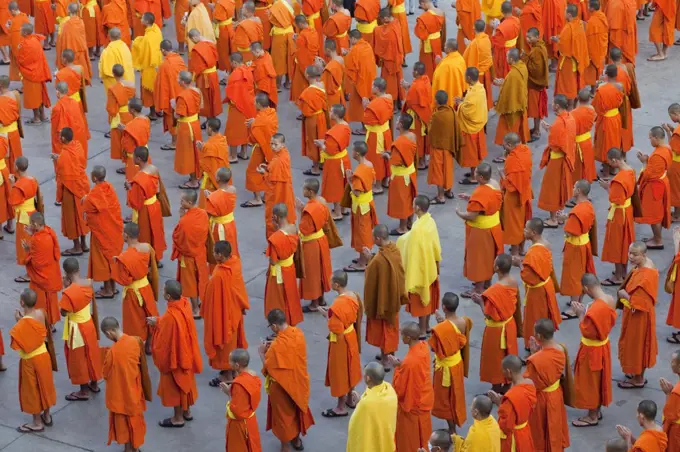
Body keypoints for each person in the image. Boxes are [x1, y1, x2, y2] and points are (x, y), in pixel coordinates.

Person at [260, 309, 315, 451]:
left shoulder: (276, 347)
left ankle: (285, 446)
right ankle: (296, 441)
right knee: (296, 410)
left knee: (283, 417)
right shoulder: (298, 333)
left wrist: (261, 352)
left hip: (281, 387)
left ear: (274, 327)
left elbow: (268, 368)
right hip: (299, 382)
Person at [149, 280, 203, 428]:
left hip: (176, 358)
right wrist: (159, 321)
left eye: (163, 290)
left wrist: (156, 325)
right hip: (187, 353)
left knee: (175, 386)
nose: (161, 292)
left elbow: (163, 342)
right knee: (186, 383)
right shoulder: (185, 304)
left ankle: (177, 418)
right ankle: (187, 412)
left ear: (168, 297)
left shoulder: (169, 316)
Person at [570, 273, 617, 427]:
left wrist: (580, 315)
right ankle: (596, 410)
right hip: (603, 346)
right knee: (599, 379)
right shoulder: (609, 299)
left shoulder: (595, 309)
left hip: (592, 350)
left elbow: (587, 331)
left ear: (586, 288)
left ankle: (592, 416)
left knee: (591, 381)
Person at [101, 316, 151, 452]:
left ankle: (128, 449)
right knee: (134, 422)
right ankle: (135, 448)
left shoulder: (113, 352)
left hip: (121, 397)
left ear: (109, 332)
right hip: (134, 392)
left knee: (124, 424)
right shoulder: (135, 341)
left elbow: (105, 374)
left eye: (107, 335)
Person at [10, 288, 57, 433]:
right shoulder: (42, 313)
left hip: (30, 360)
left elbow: (21, 344)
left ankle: (37, 423)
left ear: (21, 302)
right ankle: (47, 416)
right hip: (44, 355)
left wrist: (19, 322)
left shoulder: (21, 325)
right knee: (45, 385)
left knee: (32, 390)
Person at [203, 241, 249, 385]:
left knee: (225, 342)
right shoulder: (235, 264)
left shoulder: (219, 275)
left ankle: (228, 375)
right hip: (235, 311)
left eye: (214, 252)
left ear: (220, 255)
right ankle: (230, 370)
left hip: (223, 314)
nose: (212, 254)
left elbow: (213, 296)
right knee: (232, 341)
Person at [471, 254, 519, 392]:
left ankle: (496, 388)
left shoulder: (493, 292)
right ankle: (508, 384)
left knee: (495, 359)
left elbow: (488, 314)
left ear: (496, 268)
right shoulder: (513, 281)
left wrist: (480, 302)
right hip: (509, 324)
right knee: (508, 354)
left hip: (496, 330)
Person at [318, 271, 362, 417]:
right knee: (351, 368)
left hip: (340, 341)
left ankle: (340, 407)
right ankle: (350, 399)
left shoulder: (338, 304)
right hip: (351, 335)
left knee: (340, 372)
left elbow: (335, 328)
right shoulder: (353, 296)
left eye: (332, 282)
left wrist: (326, 315)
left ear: (337, 285)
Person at [363, 224, 408, 367]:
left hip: (383, 299)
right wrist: (371, 256)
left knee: (384, 330)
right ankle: (388, 354)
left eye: (373, 238)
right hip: (393, 297)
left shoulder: (379, 259)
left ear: (378, 238)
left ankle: (386, 360)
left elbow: (372, 274)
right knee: (391, 328)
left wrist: (369, 258)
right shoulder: (394, 249)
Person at [456, 163, 503, 297]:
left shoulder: (480, 192)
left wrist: (459, 213)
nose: (474, 174)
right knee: (490, 257)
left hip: (481, 231)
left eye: (475, 173)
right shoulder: (494, 184)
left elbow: (472, 215)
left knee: (479, 259)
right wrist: (471, 198)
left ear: (481, 177)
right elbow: (487, 203)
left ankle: (478, 290)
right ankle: (487, 283)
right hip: (494, 226)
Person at [111, 222, 159, 355]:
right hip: (145, 287)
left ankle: (137, 347)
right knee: (149, 315)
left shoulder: (124, 257)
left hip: (133, 292)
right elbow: (151, 265)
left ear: (125, 236)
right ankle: (149, 344)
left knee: (134, 321)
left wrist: (117, 263)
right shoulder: (147, 247)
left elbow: (124, 280)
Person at [524, 319, 571, 450]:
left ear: (539, 336)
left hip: (541, 399)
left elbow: (531, 383)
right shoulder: (561, 349)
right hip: (556, 394)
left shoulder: (535, 360)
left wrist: (534, 354)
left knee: (539, 431)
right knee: (555, 428)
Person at [60, 258, 103, 401]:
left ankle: (83, 391)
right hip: (88, 324)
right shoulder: (88, 283)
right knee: (92, 352)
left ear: (65, 273)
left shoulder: (69, 292)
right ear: (78, 270)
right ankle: (94, 383)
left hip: (76, 328)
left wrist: (66, 288)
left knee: (78, 358)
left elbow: (64, 312)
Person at [398, 194, 441, 336]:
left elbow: (411, 245)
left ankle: (422, 330)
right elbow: (436, 246)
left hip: (421, 269)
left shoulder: (418, 228)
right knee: (428, 298)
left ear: (418, 208)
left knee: (422, 299)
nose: (412, 205)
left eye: (413, 203)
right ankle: (427, 326)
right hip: (431, 266)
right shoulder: (430, 221)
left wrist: (398, 244)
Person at [617, 242, 659, 389]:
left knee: (638, 345)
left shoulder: (647, 275)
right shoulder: (643, 265)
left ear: (644, 255)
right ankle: (635, 373)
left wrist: (625, 295)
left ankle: (638, 379)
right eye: (630, 253)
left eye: (635, 254)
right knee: (635, 344)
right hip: (634, 314)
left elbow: (642, 302)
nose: (631, 257)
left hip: (640, 317)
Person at [428, 292, 471, 434]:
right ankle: (453, 428)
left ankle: (452, 430)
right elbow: (457, 338)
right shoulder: (464, 322)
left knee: (446, 399)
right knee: (456, 396)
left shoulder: (440, 329)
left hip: (445, 368)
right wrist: (443, 324)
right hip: (457, 363)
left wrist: (442, 325)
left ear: (444, 307)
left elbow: (434, 347)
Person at [387, 322, 434, 452]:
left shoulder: (410, 362)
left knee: (410, 440)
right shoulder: (423, 347)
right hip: (424, 397)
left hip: (413, 405)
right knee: (423, 436)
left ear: (408, 338)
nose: (401, 337)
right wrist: (401, 365)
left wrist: (398, 368)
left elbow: (401, 389)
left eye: (402, 334)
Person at [517, 218, 560, 349]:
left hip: (536, 292)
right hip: (546, 285)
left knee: (533, 318)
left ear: (533, 232)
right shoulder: (545, 244)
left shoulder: (532, 252)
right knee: (543, 315)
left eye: (526, 229)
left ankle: (535, 346)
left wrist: (519, 264)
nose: (524, 231)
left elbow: (527, 277)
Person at [82, 166, 124, 299]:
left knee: (103, 259)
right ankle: (112, 286)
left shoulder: (93, 195)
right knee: (111, 258)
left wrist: (85, 200)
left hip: (101, 233)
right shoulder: (109, 188)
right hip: (113, 230)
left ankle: (107, 290)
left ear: (94, 178)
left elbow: (87, 210)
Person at [297, 178, 337, 312]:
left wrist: (301, 212)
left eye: (304, 189)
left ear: (310, 191)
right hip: (321, 240)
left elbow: (304, 229)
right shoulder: (321, 202)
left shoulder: (309, 209)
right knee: (321, 271)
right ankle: (321, 299)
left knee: (312, 273)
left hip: (311, 244)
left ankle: (314, 303)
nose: (302, 190)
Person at [537, 95, 576, 227]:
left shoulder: (559, 122)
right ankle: (559, 214)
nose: (552, 105)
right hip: (565, 158)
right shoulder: (569, 118)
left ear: (557, 106)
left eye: (553, 103)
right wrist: (551, 129)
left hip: (556, 161)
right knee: (560, 187)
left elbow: (555, 144)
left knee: (552, 189)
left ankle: (553, 219)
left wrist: (551, 131)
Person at [599, 148, 636, 285]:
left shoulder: (619, 179)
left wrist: (607, 188)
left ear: (614, 160)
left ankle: (618, 276)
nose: (608, 164)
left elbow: (616, 200)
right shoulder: (630, 170)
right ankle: (624, 272)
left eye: (609, 161)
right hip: (627, 210)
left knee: (617, 244)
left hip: (619, 214)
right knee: (625, 242)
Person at [172, 190, 209, 318]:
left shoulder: (185, 221)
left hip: (188, 257)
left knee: (191, 284)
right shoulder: (203, 213)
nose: (180, 203)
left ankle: (195, 309)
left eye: (182, 201)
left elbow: (178, 238)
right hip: (200, 253)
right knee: (200, 279)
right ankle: (200, 304)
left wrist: (182, 218)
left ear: (189, 202)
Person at [53, 128, 90, 256]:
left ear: (63, 139)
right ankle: (84, 244)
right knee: (82, 215)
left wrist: (58, 159)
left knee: (72, 218)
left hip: (70, 189)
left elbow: (62, 177)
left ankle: (76, 247)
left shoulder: (64, 156)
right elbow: (76, 162)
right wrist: (59, 157)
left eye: (60, 135)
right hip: (82, 186)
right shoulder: (78, 146)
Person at [488, 355, 537, 451]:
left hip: (515, 437)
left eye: (503, 370)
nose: (502, 373)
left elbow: (506, 426)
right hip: (525, 430)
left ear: (509, 371)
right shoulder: (530, 383)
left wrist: (500, 404)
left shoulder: (510, 397)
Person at [346, 362, 398, 451]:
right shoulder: (389, 389)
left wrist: (360, 404)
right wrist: (361, 401)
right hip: (386, 442)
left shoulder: (366, 404)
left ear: (368, 378)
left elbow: (354, 426)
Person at [264, 203, 302, 325]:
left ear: (275, 217)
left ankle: (280, 326)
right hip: (290, 267)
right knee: (290, 296)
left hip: (279, 272)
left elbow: (273, 261)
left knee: (278, 298)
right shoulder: (293, 228)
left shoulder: (275, 238)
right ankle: (291, 320)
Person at [635, 127, 672, 248]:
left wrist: (644, 162)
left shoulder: (657, 156)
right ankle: (656, 237)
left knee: (654, 215)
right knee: (657, 212)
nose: (649, 140)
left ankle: (658, 241)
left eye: (650, 138)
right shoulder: (666, 148)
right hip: (661, 182)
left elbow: (648, 175)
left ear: (656, 138)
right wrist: (647, 160)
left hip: (654, 187)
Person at [345, 141, 379, 272]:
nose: (351, 152)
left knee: (362, 232)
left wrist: (349, 179)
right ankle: (362, 257)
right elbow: (374, 181)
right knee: (364, 230)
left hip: (361, 206)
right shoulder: (369, 164)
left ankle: (363, 262)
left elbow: (357, 192)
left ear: (357, 153)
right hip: (368, 202)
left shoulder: (359, 172)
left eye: (352, 150)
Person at [221, 349, 262, 451]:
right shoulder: (253, 375)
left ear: (236, 365)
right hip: (251, 420)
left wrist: (228, 393)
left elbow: (238, 412)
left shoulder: (239, 385)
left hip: (240, 425)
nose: (228, 363)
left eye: (230, 361)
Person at [315, 104, 351, 219]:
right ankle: (343, 209)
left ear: (335, 115)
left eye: (331, 111)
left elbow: (330, 151)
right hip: (344, 157)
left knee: (335, 187)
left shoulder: (334, 132)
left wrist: (321, 144)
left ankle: (337, 212)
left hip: (335, 162)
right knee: (343, 184)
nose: (329, 112)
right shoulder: (345, 126)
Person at [10, 157, 42, 284]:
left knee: (25, 245)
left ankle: (29, 274)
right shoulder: (33, 179)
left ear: (17, 168)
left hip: (23, 217)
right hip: (32, 212)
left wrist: (13, 185)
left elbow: (13, 201)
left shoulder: (18, 186)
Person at [500, 133, 532, 257]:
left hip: (515, 196)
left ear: (509, 144)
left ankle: (514, 254)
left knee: (513, 223)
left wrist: (502, 175)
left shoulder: (512, 159)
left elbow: (511, 185)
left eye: (504, 146)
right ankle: (521, 249)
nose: (503, 148)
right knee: (523, 221)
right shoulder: (525, 150)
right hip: (526, 191)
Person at [455, 68, 488, 185]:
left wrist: (459, 104)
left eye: (465, 76)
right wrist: (463, 101)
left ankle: (474, 177)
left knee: (473, 154)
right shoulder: (479, 88)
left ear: (469, 78)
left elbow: (468, 111)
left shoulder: (474, 93)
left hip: (471, 128)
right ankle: (475, 172)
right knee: (476, 152)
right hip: (478, 125)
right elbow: (470, 104)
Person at [244, 92, 277, 207]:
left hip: (260, 148)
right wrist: (255, 121)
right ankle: (266, 194)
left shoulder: (259, 123)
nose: (253, 104)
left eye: (254, 102)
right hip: (270, 147)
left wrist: (253, 124)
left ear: (258, 104)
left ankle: (257, 198)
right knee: (266, 170)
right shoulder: (271, 113)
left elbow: (253, 139)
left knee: (252, 171)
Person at [386, 115, 417, 235]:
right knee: (410, 197)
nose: (396, 122)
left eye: (398, 121)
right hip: (410, 172)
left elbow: (396, 161)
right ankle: (410, 222)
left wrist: (387, 156)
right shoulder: (412, 136)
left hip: (400, 176)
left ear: (401, 125)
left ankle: (402, 227)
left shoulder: (399, 142)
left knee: (402, 201)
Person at [261, 134, 296, 239]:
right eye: (271, 144)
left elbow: (271, 180)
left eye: (275, 144)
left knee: (273, 217)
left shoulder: (278, 160)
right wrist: (267, 168)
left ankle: (275, 241)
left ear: (282, 145)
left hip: (277, 194)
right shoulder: (284, 153)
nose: (272, 146)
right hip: (286, 191)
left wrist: (264, 173)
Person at [553, 4, 588, 106]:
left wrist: (557, 40)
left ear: (568, 14)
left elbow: (564, 46)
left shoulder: (568, 28)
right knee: (575, 83)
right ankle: (573, 105)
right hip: (577, 59)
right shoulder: (579, 24)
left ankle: (570, 107)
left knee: (568, 86)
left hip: (568, 62)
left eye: (565, 12)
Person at [155, 40, 187, 151]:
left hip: (171, 96)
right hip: (182, 93)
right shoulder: (179, 59)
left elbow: (162, 85)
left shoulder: (165, 65)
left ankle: (174, 142)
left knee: (172, 119)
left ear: (163, 50)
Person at [16, 23, 51, 124]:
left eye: (21, 30)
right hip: (39, 72)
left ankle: (36, 118)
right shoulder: (35, 40)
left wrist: (18, 53)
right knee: (40, 95)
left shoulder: (24, 44)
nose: (20, 32)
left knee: (33, 97)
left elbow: (22, 60)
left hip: (30, 73)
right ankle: (43, 116)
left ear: (26, 33)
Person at [593, 65, 624, 179]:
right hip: (616, 117)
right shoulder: (620, 86)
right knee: (614, 142)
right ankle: (613, 168)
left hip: (606, 119)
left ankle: (605, 173)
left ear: (606, 75)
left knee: (605, 145)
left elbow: (596, 107)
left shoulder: (601, 89)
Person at [493, 49, 529, 147]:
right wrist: (504, 82)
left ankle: (508, 153)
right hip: (520, 103)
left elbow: (508, 93)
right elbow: (515, 86)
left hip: (512, 108)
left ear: (511, 59)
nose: (506, 58)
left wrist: (502, 85)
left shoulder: (513, 74)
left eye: (507, 57)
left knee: (508, 131)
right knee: (517, 130)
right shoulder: (522, 66)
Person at [362, 78, 392, 192]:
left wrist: (366, 107)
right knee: (384, 156)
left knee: (377, 159)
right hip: (385, 131)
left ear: (377, 89)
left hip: (376, 135)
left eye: (373, 86)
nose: (371, 88)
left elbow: (367, 120)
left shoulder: (375, 104)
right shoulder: (388, 98)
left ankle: (378, 186)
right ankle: (385, 180)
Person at [174, 71, 203, 189]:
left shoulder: (183, 96)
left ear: (183, 82)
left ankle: (193, 181)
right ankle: (197, 174)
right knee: (196, 152)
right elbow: (200, 107)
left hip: (186, 127)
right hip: (195, 123)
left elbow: (179, 115)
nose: (177, 80)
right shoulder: (197, 91)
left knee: (189, 154)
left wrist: (173, 107)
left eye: (178, 78)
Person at [224, 53, 255, 163]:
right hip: (249, 104)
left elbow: (232, 93)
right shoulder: (248, 70)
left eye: (231, 63)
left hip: (238, 105)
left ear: (235, 63)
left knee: (233, 130)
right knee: (245, 128)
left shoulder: (236, 74)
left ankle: (233, 156)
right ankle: (244, 152)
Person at [297, 65, 327, 177]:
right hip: (322, 116)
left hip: (312, 119)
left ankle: (315, 168)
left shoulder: (307, 92)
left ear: (307, 76)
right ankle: (322, 162)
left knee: (313, 142)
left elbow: (305, 111)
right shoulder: (322, 85)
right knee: (322, 138)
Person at [131, 13, 162, 119]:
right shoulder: (156, 29)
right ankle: (159, 110)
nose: (141, 20)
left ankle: (153, 113)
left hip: (149, 67)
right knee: (157, 89)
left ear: (147, 22)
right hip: (157, 64)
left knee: (149, 91)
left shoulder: (147, 38)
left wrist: (135, 44)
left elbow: (143, 52)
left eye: (142, 19)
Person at [203, 167, 239, 260]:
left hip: (218, 227)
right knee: (232, 247)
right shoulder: (233, 189)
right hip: (230, 224)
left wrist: (209, 198)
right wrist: (212, 196)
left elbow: (210, 214)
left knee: (219, 251)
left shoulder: (213, 197)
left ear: (218, 179)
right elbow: (223, 198)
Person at [401, 63, 431, 169]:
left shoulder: (415, 87)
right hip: (424, 114)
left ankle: (420, 161)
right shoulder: (426, 80)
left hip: (416, 116)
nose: (412, 72)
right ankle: (423, 160)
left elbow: (410, 102)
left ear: (417, 72)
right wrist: (409, 86)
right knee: (423, 137)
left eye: (413, 70)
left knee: (417, 138)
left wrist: (406, 89)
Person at [427, 91, 456, 203]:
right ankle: (448, 191)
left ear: (436, 101)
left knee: (438, 172)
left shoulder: (436, 115)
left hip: (438, 147)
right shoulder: (452, 111)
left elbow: (431, 130)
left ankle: (440, 196)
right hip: (449, 146)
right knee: (448, 170)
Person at [187, 29, 222, 120]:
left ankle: (209, 119)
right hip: (213, 74)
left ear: (194, 37)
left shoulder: (196, 49)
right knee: (214, 96)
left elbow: (197, 67)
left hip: (204, 77)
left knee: (206, 99)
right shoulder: (210, 43)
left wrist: (193, 78)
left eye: (192, 40)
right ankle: (213, 116)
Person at [51, 81, 89, 162]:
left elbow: (55, 129)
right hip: (77, 135)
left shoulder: (57, 108)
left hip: (66, 138)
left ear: (57, 92)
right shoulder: (75, 102)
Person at [522, 27, 549, 140]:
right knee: (535, 108)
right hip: (536, 84)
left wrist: (525, 58)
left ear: (537, 37)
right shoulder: (538, 47)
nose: (528, 39)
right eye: (527, 37)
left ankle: (537, 131)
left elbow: (536, 69)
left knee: (536, 109)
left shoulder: (537, 50)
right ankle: (535, 128)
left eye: (530, 37)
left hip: (535, 84)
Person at [344, 30, 376, 125]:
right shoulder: (367, 45)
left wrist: (347, 55)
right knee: (369, 98)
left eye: (350, 40)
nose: (349, 41)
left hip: (361, 79)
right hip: (370, 76)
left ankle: (364, 125)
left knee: (362, 102)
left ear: (353, 39)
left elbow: (350, 66)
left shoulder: (355, 50)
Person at [374, 8, 405, 108]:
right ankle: (399, 101)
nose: (382, 22)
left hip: (391, 60)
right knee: (398, 80)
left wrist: (376, 30)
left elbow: (383, 35)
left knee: (390, 84)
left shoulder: (390, 31)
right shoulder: (396, 22)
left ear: (386, 18)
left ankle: (393, 103)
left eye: (382, 20)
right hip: (397, 58)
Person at [106, 65, 135, 166]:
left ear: (113, 74)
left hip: (121, 116)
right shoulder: (131, 84)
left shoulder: (113, 89)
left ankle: (127, 164)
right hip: (131, 114)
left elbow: (111, 108)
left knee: (122, 141)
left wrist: (111, 116)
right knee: (130, 139)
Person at [197, 119, 229, 209]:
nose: (205, 129)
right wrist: (203, 148)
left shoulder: (209, 146)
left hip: (211, 180)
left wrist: (202, 150)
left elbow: (205, 164)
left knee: (206, 206)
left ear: (210, 129)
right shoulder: (222, 139)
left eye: (206, 127)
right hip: (222, 174)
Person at [55, 7, 92, 83]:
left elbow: (63, 39)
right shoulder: (81, 22)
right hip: (80, 50)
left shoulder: (66, 24)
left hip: (70, 51)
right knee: (80, 77)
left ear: (68, 10)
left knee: (70, 79)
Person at [119, 98, 151, 181]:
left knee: (134, 183)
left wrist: (124, 130)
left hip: (135, 160)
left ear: (132, 110)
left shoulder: (130, 126)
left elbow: (127, 145)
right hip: (145, 154)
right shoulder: (146, 119)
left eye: (128, 107)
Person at [462, 23, 492, 110]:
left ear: (474, 28)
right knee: (484, 96)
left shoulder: (474, 43)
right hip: (486, 72)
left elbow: (467, 58)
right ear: (484, 28)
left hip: (478, 75)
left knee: (477, 99)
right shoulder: (487, 39)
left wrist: (468, 45)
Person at [570, 88, 597, 184]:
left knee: (578, 168)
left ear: (577, 98)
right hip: (588, 141)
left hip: (577, 143)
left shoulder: (573, 114)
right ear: (589, 99)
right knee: (587, 165)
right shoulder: (592, 110)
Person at [290, 16, 319, 102]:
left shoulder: (302, 37)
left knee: (301, 87)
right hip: (313, 61)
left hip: (304, 65)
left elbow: (300, 53)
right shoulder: (313, 30)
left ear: (300, 24)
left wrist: (296, 40)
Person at [433, 39, 467, 109]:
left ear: (450, 49)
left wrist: (438, 64)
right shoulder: (460, 58)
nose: (444, 47)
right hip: (458, 92)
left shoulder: (445, 65)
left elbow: (437, 77)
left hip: (449, 92)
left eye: (445, 46)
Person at [414, 0, 444, 80]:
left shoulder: (423, 17)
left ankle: (428, 80)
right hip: (437, 40)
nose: (422, 8)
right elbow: (443, 30)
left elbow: (421, 35)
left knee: (427, 64)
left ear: (423, 3)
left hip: (428, 43)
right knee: (437, 61)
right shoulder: (441, 12)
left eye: (421, 5)